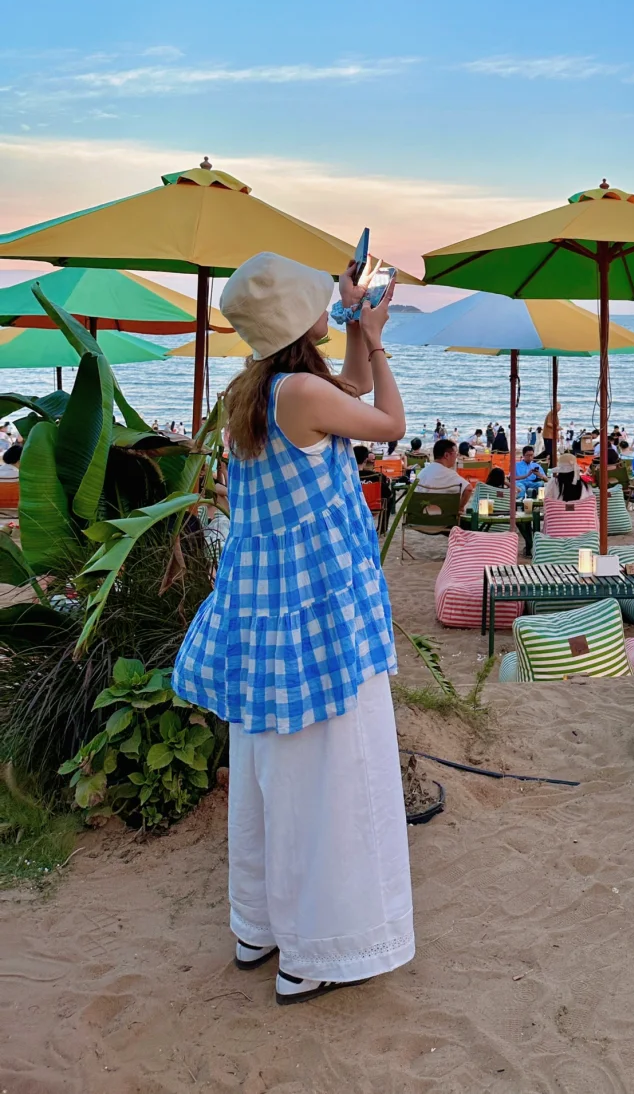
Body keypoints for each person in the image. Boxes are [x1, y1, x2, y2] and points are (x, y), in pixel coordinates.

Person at [171, 251, 413, 1005]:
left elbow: (348, 393)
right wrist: (373, 334)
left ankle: (258, 926)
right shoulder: (302, 391)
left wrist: (351, 326)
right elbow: (391, 423)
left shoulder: (262, 389)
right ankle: (313, 951)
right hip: (317, 608)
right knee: (327, 778)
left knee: (268, 772)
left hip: (268, 607)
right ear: (296, 321)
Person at [418, 438, 475, 508]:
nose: (456, 456)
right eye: (455, 453)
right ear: (446, 455)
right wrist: (460, 507)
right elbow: (468, 489)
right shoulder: (450, 474)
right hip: (445, 517)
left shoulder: (422, 472)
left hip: (422, 516)